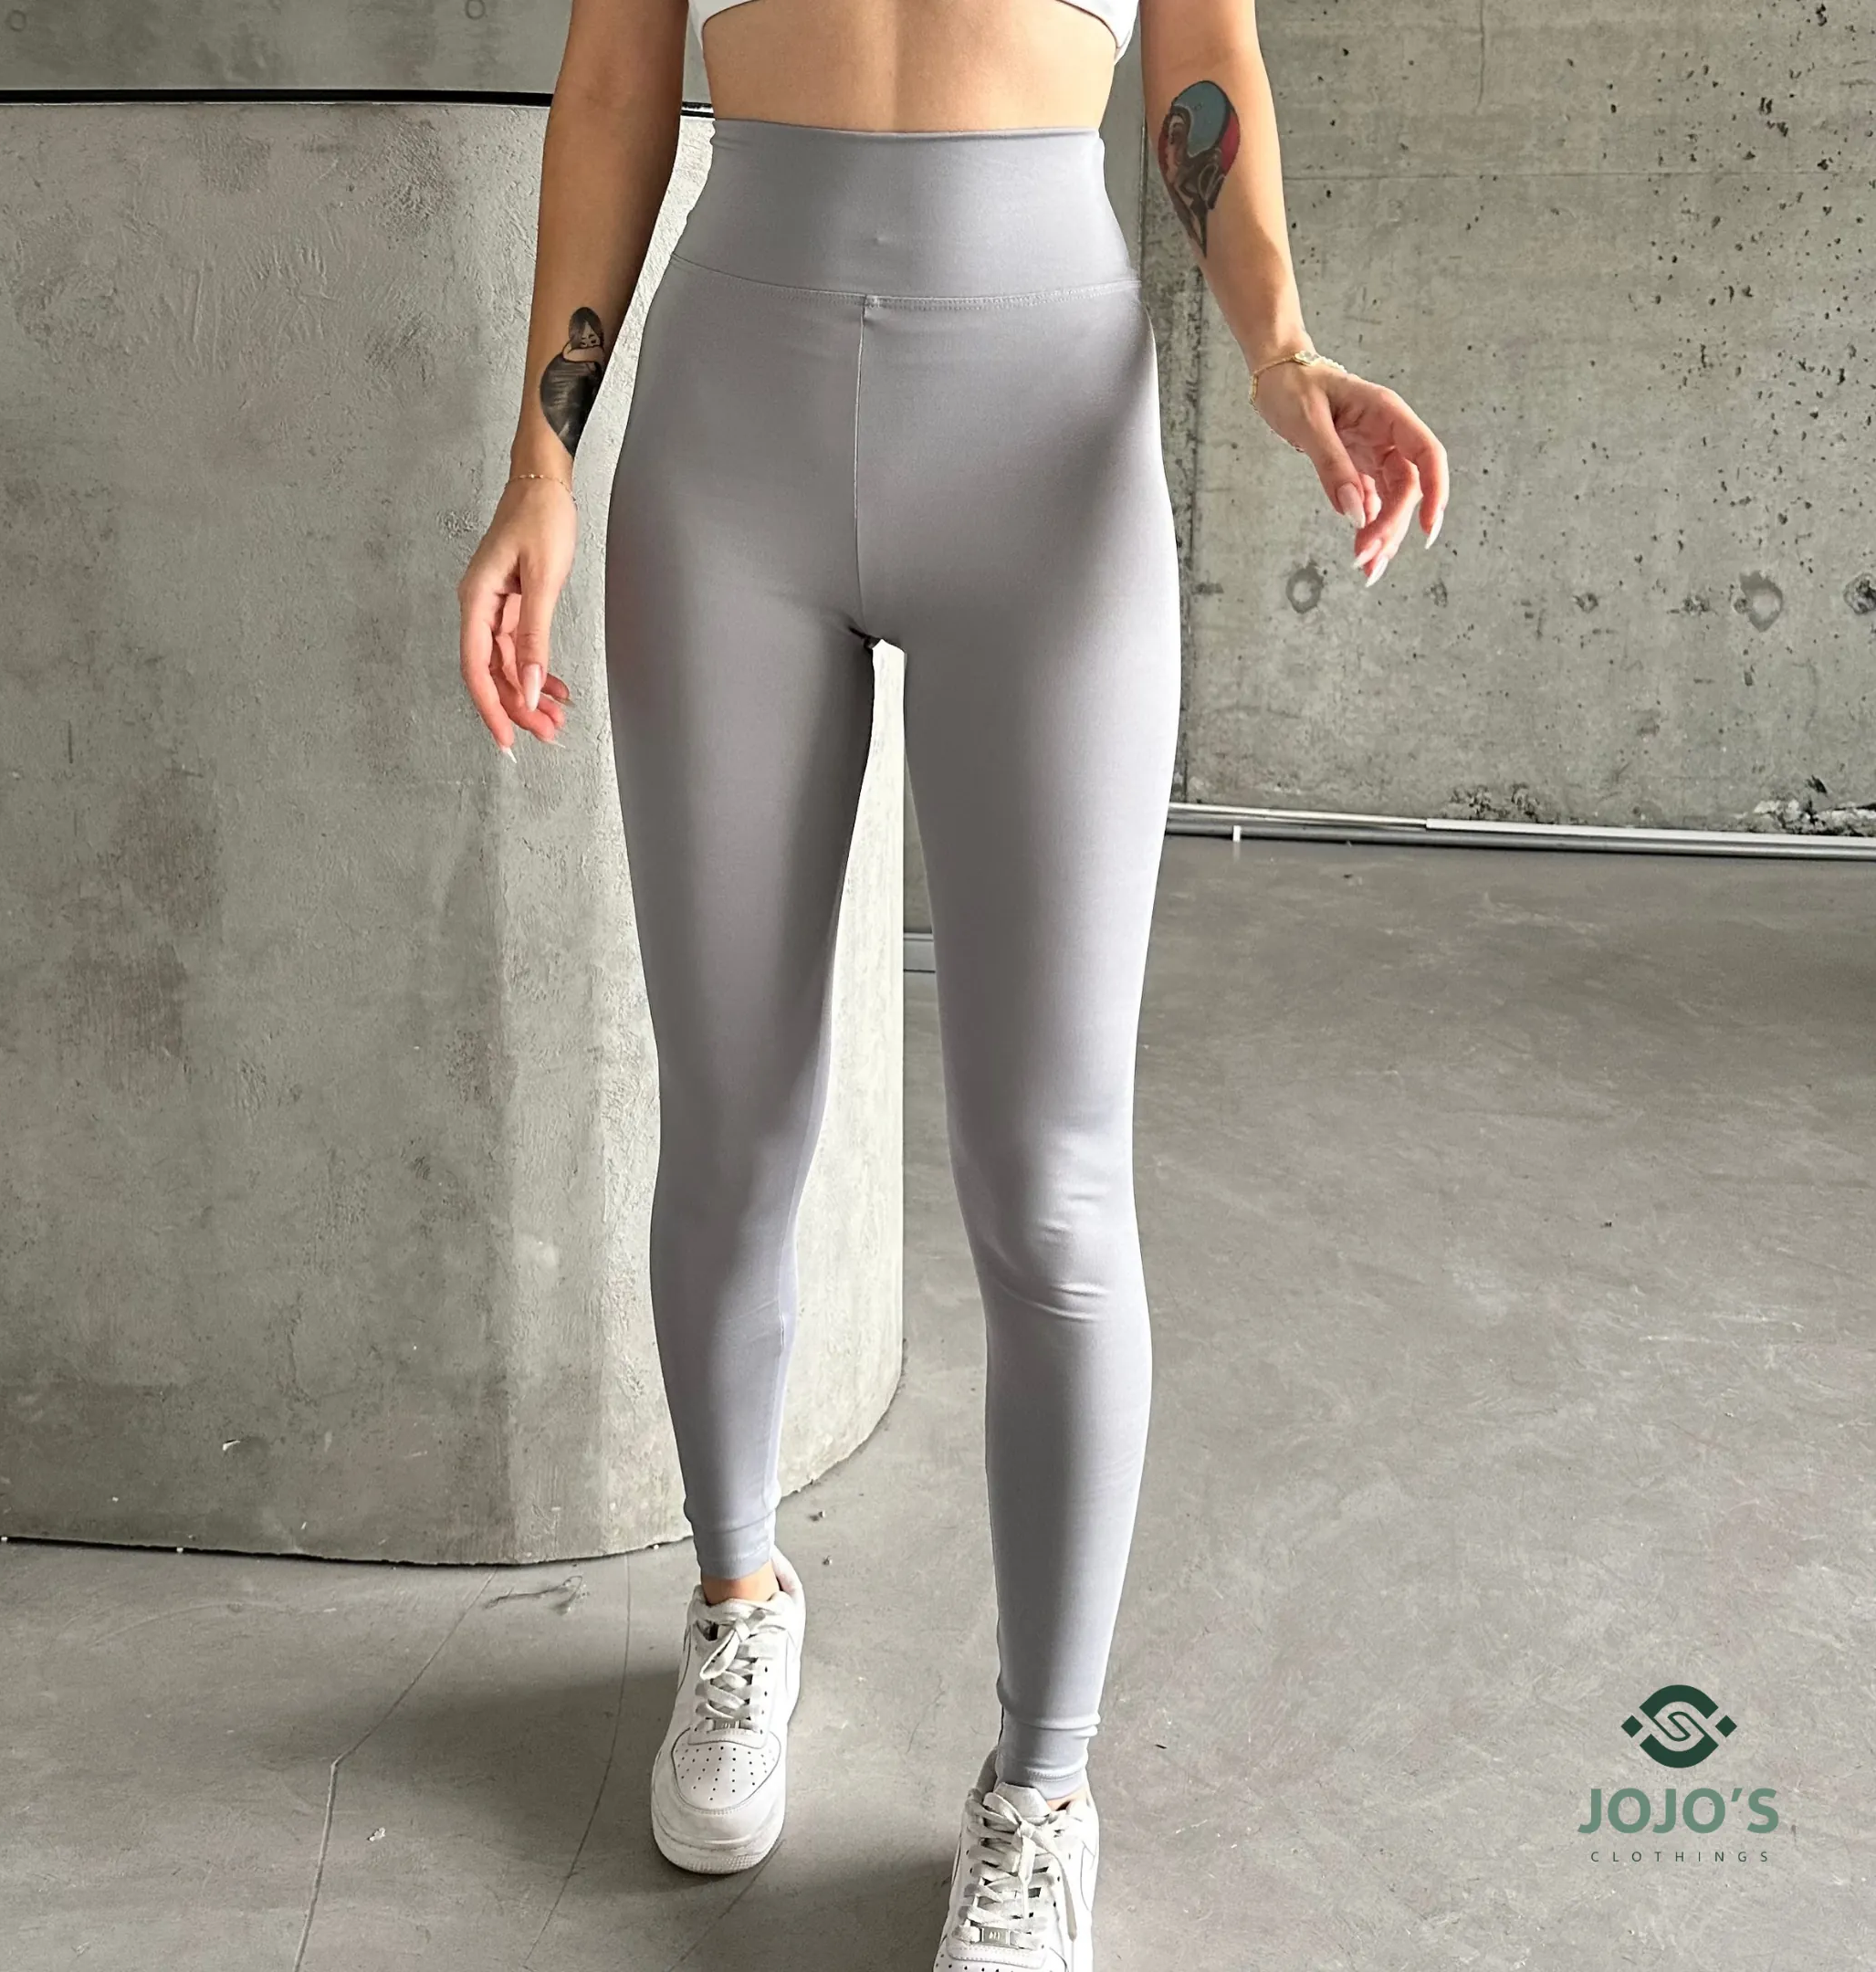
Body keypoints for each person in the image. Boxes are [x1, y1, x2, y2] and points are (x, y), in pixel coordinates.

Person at [456, 0, 1449, 1962]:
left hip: (1042, 432)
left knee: (1052, 1188)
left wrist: (1281, 347)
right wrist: (541, 463)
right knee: (730, 1123)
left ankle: (1041, 1786)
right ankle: (737, 1602)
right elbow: (617, 81)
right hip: (731, 437)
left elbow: (1202, 61)